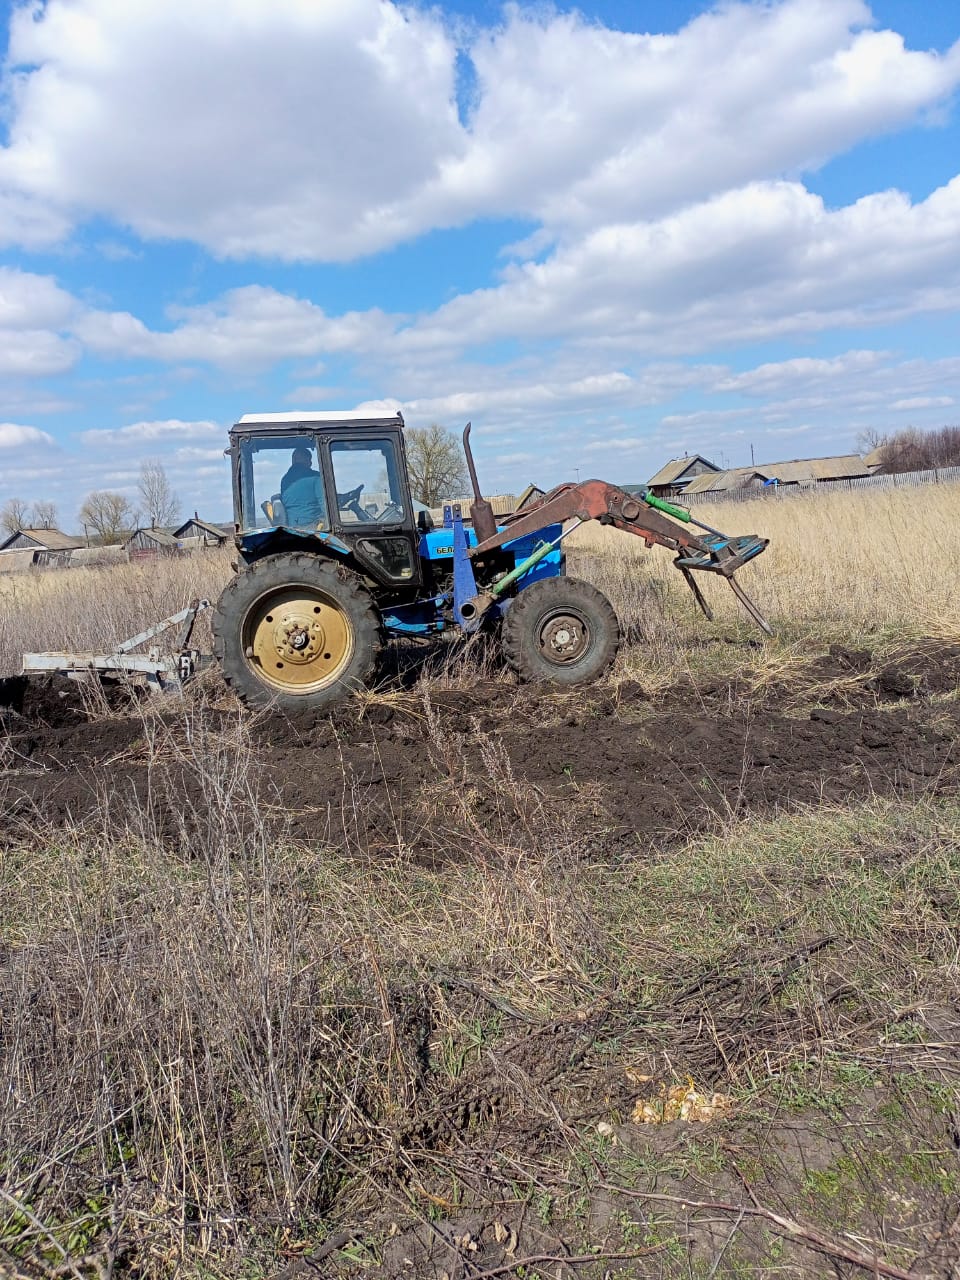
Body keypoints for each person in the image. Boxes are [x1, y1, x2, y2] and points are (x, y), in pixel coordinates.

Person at [280, 446, 327, 527]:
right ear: (308, 461)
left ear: (293, 461)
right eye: (310, 460)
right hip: (312, 527)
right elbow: (325, 505)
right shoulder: (316, 477)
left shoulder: (285, 480)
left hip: (291, 527)